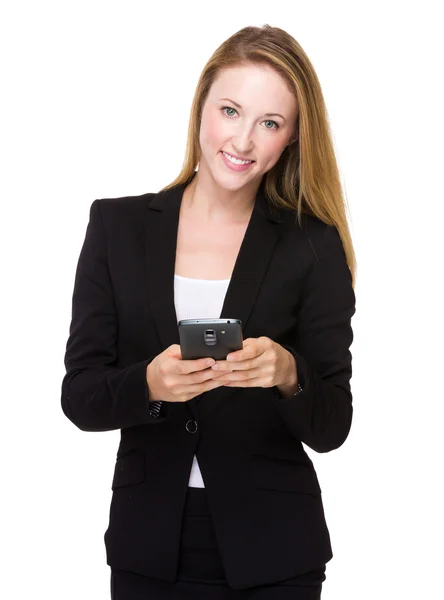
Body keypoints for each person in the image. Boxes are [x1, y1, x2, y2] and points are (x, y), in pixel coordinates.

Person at [61, 24, 357, 600]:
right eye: (230, 110)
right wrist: (148, 383)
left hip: (275, 551)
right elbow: (80, 396)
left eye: (269, 123)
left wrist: (286, 373)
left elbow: (334, 425)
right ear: (202, 108)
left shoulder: (312, 245)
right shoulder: (116, 227)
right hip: (150, 547)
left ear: (292, 139)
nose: (243, 141)